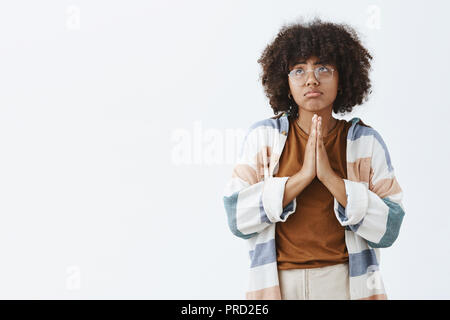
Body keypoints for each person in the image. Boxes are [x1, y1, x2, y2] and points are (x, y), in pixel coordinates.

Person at [222, 18, 405, 300]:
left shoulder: (365, 143)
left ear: (343, 77)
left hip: (346, 282)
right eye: (298, 70)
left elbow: (389, 228)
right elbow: (237, 218)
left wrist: (331, 179)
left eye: (323, 68)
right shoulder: (264, 138)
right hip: (277, 284)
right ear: (285, 81)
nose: (311, 79)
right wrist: (303, 177)